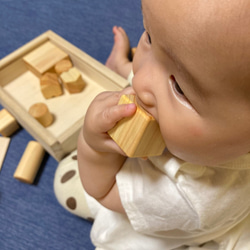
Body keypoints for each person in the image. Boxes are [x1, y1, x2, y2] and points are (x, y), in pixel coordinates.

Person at [54, 0, 250, 249]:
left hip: (173, 222)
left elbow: (103, 192)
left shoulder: (190, 196)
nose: (140, 80)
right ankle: (126, 64)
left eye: (179, 87)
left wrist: (92, 145)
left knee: (64, 181)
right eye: (148, 36)